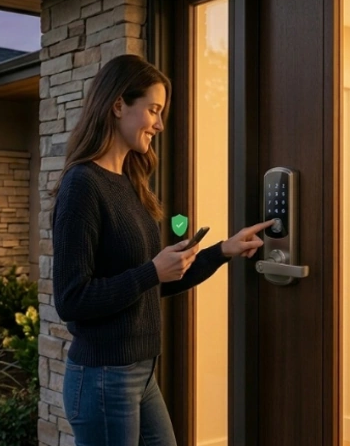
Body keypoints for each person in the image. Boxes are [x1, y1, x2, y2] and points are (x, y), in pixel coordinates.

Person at [51, 54, 274, 446]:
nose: (160, 123)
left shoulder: (128, 183)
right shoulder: (82, 185)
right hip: (104, 378)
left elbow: (151, 284)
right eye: (153, 110)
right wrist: (150, 272)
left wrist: (223, 249)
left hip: (139, 372)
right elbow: (71, 300)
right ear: (118, 104)